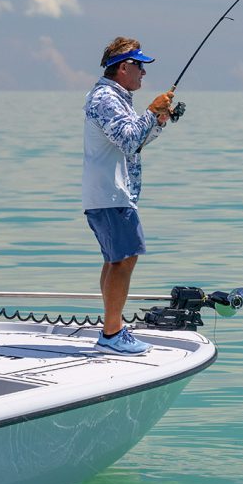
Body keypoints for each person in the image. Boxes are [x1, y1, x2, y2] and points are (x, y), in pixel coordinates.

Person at [83, 37, 175, 355]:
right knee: (125, 259)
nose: (144, 73)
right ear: (124, 67)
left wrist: (158, 121)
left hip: (110, 193)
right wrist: (150, 110)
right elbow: (128, 138)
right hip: (111, 193)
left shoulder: (116, 99)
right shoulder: (105, 98)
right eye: (140, 66)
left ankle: (112, 327)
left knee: (116, 260)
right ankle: (112, 334)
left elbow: (135, 142)